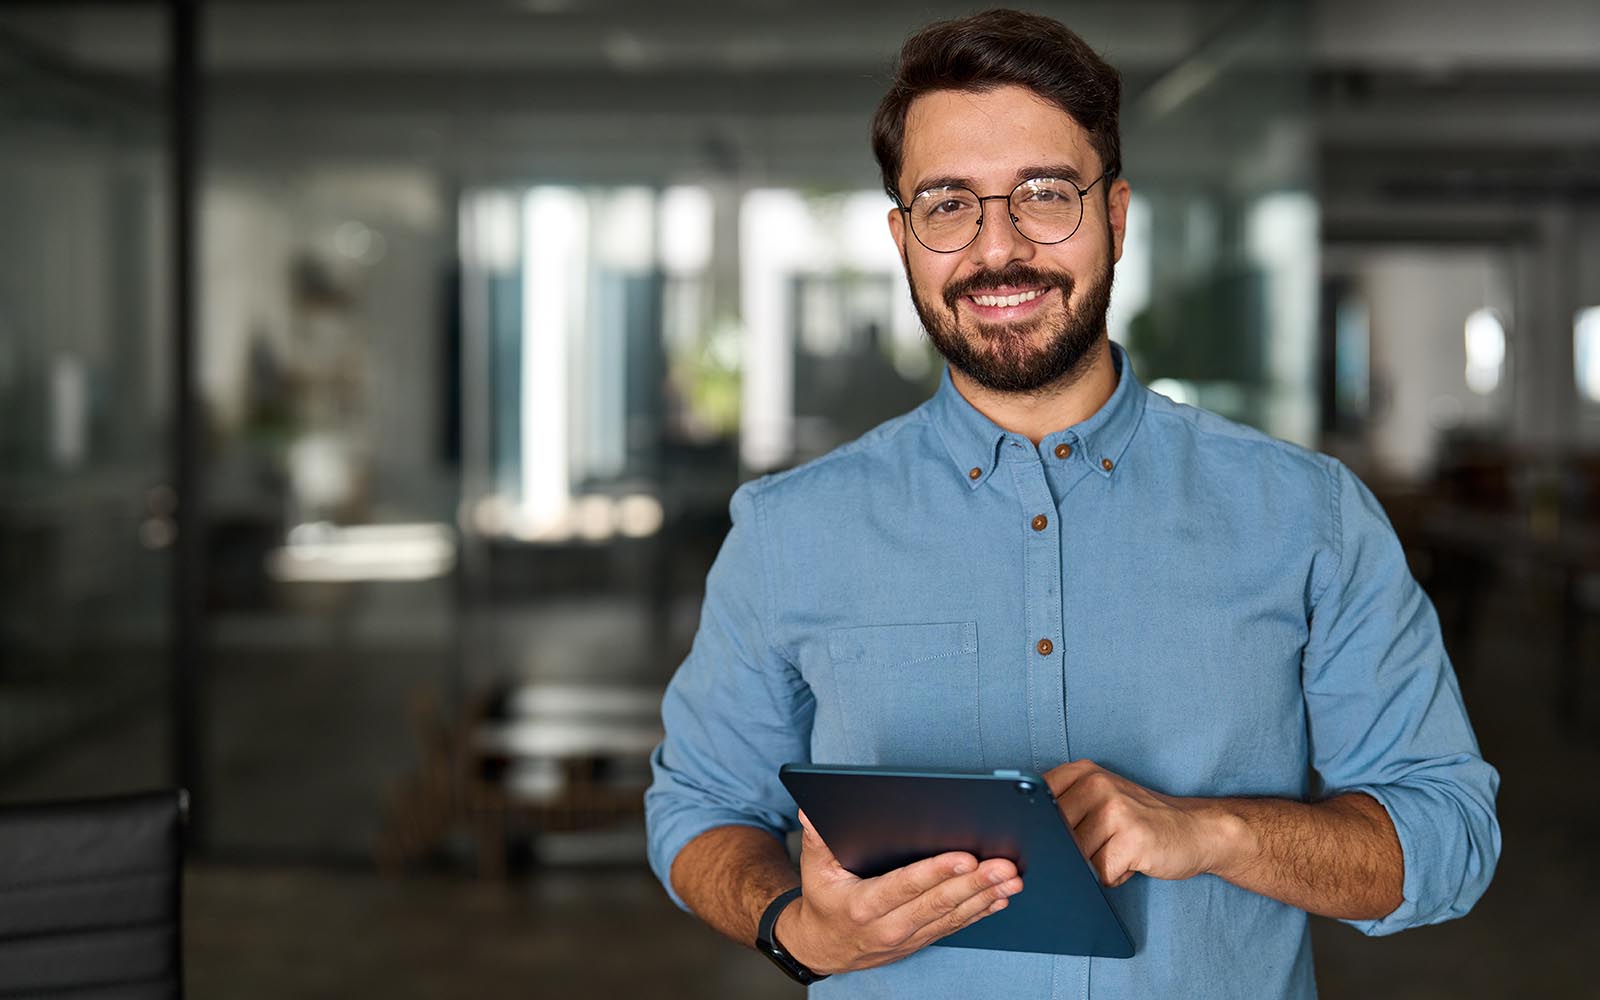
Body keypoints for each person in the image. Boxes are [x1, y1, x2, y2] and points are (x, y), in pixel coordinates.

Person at [645, 9, 1500, 998]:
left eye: (1043, 195)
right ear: (902, 236)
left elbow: (1449, 833)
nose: (997, 248)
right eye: (947, 204)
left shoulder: (1307, 517)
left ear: (1117, 216)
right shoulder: (789, 531)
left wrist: (1212, 828)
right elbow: (697, 809)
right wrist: (797, 929)